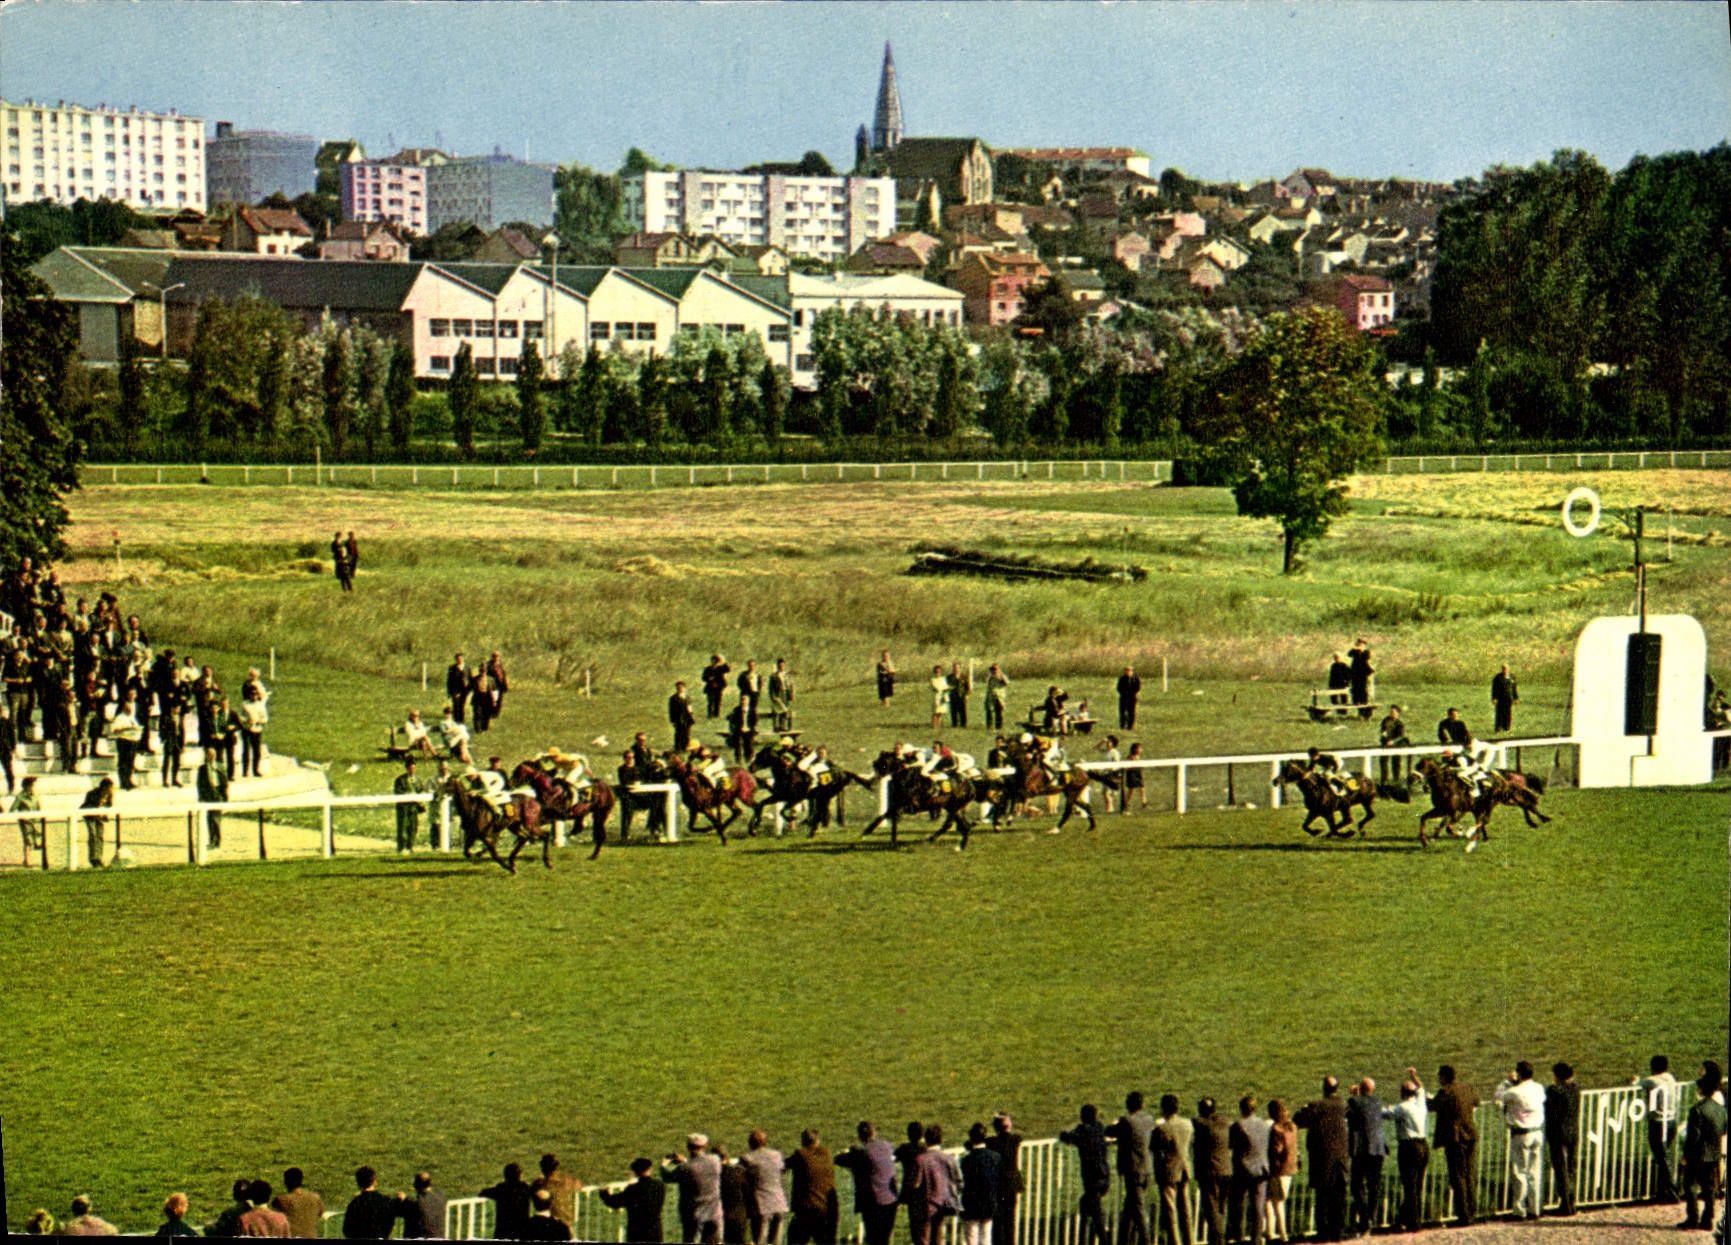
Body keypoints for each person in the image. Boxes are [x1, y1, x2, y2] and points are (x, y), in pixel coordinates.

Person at [1294, 1079, 1349, 1243]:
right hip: (1341, 1156)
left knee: (1323, 1197)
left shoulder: (1315, 1105)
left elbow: (1298, 1120)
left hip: (1322, 1157)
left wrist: (1303, 1109)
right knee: (1339, 1196)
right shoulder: (1343, 1104)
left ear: (1324, 1088)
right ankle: (1338, 1232)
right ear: (1337, 1089)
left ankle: (1323, 1233)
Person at [1427, 1066, 1478, 1227]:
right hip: (1471, 1134)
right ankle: (1472, 1210)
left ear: (1443, 1077)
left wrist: (1423, 1096)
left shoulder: (1445, 1092)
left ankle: (1463, 1215)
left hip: (1456, 1138)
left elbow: (1432, 1106)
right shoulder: (1466, 1088)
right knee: (1469, 1173)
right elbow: (1476, 1102)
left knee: (1458, 1176)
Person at [1495, 1061, 1546, 1221]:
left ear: (1519, 1074)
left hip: (1521, 1134)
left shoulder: (1514, 1092)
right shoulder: (1539, 1088)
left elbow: (1498, 1098)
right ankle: (1535, 1208)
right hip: (1537, 1132)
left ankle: (1519, 1210)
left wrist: (1507, 1082)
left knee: (1520, 1172)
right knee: (1534, 1172)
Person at [835, 1121, 898, 1245]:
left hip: (873, 1201)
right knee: (885, 1238)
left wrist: (847, 1152)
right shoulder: (886, 1146)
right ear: (874, 1132)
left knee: (874, 1238)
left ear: (859, 1135)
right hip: (891, 1199)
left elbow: (839, 1160)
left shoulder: (860, 1152)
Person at [1681, 1063, 1727, 1230]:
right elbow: (1723, 1128)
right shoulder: (1720, 1109)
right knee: (1709, 1188)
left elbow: (1693, 1137)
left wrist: (1686, 1155)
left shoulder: (1697, 1110)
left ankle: (1693, 1218)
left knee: (1691, 1185)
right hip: (1713, 1153)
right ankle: (1708, 1219)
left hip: (1698, 1154)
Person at [1382, 1072, 1429, 1234]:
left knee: (1410, 1185)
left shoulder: (1401, 1107)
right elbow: (1422, 1089)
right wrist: (1415, 1076)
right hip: (1423, 1145)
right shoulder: (1420, 1104)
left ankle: (1412, 1222)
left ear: (1402, 1093)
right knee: (1418, 1185)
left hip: (1409, 1146)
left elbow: (1386, 1115)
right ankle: (1408, 1218)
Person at [1106, 1091, 1155, 1245]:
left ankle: (1145, 1240)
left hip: (1133, 1170)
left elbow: (1110, 1132)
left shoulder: (1126, 1120)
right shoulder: (1149, 1119)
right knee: (1130, 1207)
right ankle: (1124, 1239)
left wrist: (1113, 1124)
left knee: (1138, 1209)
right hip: (1146, 1168)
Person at [1061, 1104, 1112, 1245]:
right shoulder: (1099, 1127)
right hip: (1105, 1177)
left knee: (1096, 1215)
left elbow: (1068, 1137)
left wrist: (1063, 1134)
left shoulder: (1082, 1131)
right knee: (1085, 1205)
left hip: (1093, 1181)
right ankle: (1085, 1238)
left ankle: (1103, 1239)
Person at [663, 1133, 725, 1245]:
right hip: (714, 1213)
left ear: (688, 1147)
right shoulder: (715, 1160)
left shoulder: (685, 1168)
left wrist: (663, 1165)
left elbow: (668, 1177)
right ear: (705, 1146)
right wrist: (685, 1161)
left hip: (694, 1215)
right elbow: (700, 1166)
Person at [1637, 1054, 1681, 1204]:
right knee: (1664, 1157)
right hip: (1671, 1122)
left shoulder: (1651, 1081)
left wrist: (1635, 1081)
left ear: (1653, 1067)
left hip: (1658, 1124)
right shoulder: (1671, 1078)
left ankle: (1673, 1192)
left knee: (1663, 1159)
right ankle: (1663, 1193)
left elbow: (1635, 1088)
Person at [1151, 1094, 1193, 1245]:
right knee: (1186, 1209)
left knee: (1170, 1210)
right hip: (1185, 1168)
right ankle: (1190, 1239)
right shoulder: (1187, 1124)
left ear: (1163, 1109)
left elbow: (1153, 1147)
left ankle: (1175, 1241)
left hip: (1168, 1171)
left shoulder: (1162, 1128)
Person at [1227, 1096, 1270, 1245]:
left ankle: (1238, 1235)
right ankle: (1256, 1238)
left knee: (1238, 1204)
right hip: (1261, 1168)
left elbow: (1231, 1145)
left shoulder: (1238, 1125)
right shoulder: (1264, 1124)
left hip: (1243, 1168)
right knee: (1258, 1206)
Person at [1346, 1078, 1386, 1236]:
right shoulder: (1378, 1102)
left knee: (1356, 1185)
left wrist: (1354, 1095)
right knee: (1374, 1186)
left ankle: (1364, 1218)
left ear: (1361, 1089)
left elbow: (1350, 1112)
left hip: (1362, 1150)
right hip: (1378, 1148)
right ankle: (1371, 1218)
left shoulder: (1354, 1102)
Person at [599, 1158, 668, 1244]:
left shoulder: (633, 1189)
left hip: (637, 1231)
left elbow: (614, 1202)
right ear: (650, 1169)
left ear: (635, 1172)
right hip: (655, 1230)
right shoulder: (660, 1185)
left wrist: (603, 1191)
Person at [788, 1128, 837, 1245]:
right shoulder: (826, 1154)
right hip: (827, 1207)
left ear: (803, 1141)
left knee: (795, 1238)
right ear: (817, 1141)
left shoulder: (800, 1155)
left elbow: (785, 1164)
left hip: (807, 1208)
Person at [913, 1125, 960, 1245]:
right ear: (941, 1139)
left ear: (926, 1139)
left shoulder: (921, 1159)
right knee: (938, 1238)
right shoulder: (949, 1158)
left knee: (924, 1239)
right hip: (943, 1203)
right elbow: (958, 1180)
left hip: (926, 1204)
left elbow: (916, 1184)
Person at [1543, 1062, 1579, 1217]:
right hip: (1573, 1132)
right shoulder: (1576, 1089)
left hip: (1558, 1134)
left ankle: (1565, 1204)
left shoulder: (1553, 1090)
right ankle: (1571, 1201)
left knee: (1561, 1170)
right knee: (1571, 1168)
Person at [1192, 1098, 1230, 1245]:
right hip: (1226, 1169)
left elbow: (1194, 1123)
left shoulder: (1200, 1124)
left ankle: (1218, 1240)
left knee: (1212, 1209)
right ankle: (1221, 1236)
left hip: (1210, 1171)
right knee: (1221, 1208)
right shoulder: (1224, 1123)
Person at [740, 1130, 788, 1245]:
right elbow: (782, 1169)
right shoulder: (776, 1155)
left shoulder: (747, 1158)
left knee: (760, 1240)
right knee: (777, 1241)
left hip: (761, 1205)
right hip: (779, 1203)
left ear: (750, 1143)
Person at [959, 1123, 1002, 1245]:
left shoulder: (966, 1160)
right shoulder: (996, 1157)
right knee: (986, 1237)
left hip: (971, 1205)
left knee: (971, 1239)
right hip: (989, 1203)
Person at [986, 1113, 1023, 1245]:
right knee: (1010, 1220)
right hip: (1012, 1184)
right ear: (1009, 1126)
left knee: (998, 1221)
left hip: (998, 1184)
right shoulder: (1015, 1139)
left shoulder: (991, 1143)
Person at [1263, 1102, 1297, 1244]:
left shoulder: (1275, 1129)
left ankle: (1280, 1235)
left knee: (1274, 1202)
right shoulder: (1292, 1127)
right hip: (1290, 1168)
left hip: (1278, 1169)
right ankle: (1273, 1232)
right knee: (1275, 1201)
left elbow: (1276, 1150)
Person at [480, 1161, 536, 1241]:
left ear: (505, 1176)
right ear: (520, 1175)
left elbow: (483, 1193)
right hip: (522, 1231)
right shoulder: (525, 1188)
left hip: (504, 1231)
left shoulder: (501, 1189)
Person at [895, 1122, 930, 1245]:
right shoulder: (926, 1149)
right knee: (929, 1229)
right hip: (929, 1191)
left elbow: (892, 1158)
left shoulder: (905, 1149)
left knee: (916, 1230)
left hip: (912, 1193)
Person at [344, 1167, 398, 1240]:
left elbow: (347, 1231)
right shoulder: (386, 1201)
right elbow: (390, 1223)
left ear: (358, 1183)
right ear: (374, 1182)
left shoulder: (355, 1203)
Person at [534, 1152, 582, 1231]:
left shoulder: (540, 1184)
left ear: (543, 1167)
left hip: (551, 1226)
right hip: (567, 1225)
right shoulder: (567, 1180)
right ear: (557, 1167)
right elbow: (578, 1185)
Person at [273, 1167, 325, 1238]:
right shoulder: (315, 1198)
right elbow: (320, 1213)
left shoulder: (281, 1200)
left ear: (286, 1182)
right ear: (301, 1181)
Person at [196, 743, 229, 850]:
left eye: (211, 754)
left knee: (216, 819)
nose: (210, 756)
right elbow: (199, 784)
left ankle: (217, 840)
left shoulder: (219, 767)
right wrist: (201, 797)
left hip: (217, 795)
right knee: (209, 819)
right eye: (208, 754)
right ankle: (211, 840)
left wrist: (225, 798)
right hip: (208, 796)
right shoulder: (202, 769)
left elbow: (225, 783)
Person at [107, 690, 143, 789]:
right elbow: (114, 730)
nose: (130, 710)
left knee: (130, 763)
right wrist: (126, 728)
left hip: (133, 740)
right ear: (124, 708)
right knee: (123, 762)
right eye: (128, 708)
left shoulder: (132, 718)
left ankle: (129, 780)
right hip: (124, 740)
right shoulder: (119, 717)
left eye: (131, 709)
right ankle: (123, 782)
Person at [398, 1172, 448, 1240]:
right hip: (440, 1237)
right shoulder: (442, 1197)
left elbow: (405, 1209)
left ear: (415, 1185)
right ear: (431, 1183)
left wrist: (403, 1200)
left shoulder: (416, 1203)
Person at [395, 759, 429, 852]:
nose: (412, 770)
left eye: (413, 768)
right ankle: (401, 847)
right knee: (402, 827)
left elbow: (421, 790)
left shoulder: (418, 780)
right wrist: (408, 794)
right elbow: (398, 792)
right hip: (404, 807)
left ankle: (411, 845)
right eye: (410, 768)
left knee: (413, 827)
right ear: (407, 769)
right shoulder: (400, 780)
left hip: (414, 807)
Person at [11, 774, 45, 867]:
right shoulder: (20, 797)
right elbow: (12, 809)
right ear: (26, 786)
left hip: (35, 821)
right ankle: (27, 860)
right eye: (31, 785)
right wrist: (22, 817)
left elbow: (39, 808)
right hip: (25, 822)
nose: (33, 787)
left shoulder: (36, 796)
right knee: (28, 840)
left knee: (37, 838)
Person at [80, 775, 115, 868]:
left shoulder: (109, 795)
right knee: (93, 835)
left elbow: (108, 806)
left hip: (99, 816)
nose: (111, 789)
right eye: (110, 787)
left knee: (100, 836)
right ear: (104, 787)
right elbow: (92, 806)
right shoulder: (93, 793)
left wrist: (105, 815)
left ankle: (99, 857)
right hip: (89, 815)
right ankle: (93, 858)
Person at [1377, 706, 1409, 784]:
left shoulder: (1400, 724)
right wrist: (1385, 738)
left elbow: (1401, 736)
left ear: (1397, 713)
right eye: (1391, 712)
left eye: (1394, 712)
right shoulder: (1386, 721)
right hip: (1386, 743)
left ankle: (1396, 778)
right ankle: (1384, 779)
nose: (1392, 714)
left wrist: (1393, 741)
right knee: (1383, 761)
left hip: (1396, 745)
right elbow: (1383, 731)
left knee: (1396, 762)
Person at [1348, 639, 1374, 720]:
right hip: (1355, 675)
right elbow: (1349, 654)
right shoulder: (1354, 652)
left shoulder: (1365, 653)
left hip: (1362, 675)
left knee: (1363, 693)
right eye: (1358, 644)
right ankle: (1360, 711)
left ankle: (1365, 713)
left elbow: (1367, 657)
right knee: (1356, 693)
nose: (1360, 645)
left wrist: (1361, 651)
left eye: (1361, 644)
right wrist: (1356, 649)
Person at [1490, 663, 1519, 733]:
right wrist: (1494, 698)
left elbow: (1514, 688)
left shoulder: (1512, 677)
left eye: (1506, 668)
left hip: (1509, 699)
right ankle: (1498, 728)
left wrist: (1516, 698)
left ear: (1508, 669)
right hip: (1500, 699)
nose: (1505, 670)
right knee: (1499, 714)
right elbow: (1494, 688)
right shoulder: (1498, 677)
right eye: (1503, 668)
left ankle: (1507, 728)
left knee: (1508, 714)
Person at [769, 659, 795, 734]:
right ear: (778, 666)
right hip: (778, 693)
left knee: (786, 710)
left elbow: (791, 685)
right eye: (780, 665)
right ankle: (777, 726)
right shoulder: (774, 676)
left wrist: (792, 694)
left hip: (786, 693)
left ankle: (785, 726)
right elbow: (771, 688)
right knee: (778, 709)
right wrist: (773, 696)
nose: (781, 667)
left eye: (782, 665)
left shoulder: (787, 675)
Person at [670, 681, 696, 752]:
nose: (680, 689)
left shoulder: (687, 697)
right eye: (678, 687)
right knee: (678, 733)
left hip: (687, 718)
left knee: (686, 734)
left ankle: (685, 747)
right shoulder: (673, 698)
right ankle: (678, 747)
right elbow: (671, 710)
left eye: (681, 687)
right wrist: (672, 720)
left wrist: (691, 715)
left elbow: (690, 707)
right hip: (678, 718)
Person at [738, 660, 763, 729]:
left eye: (753, 665)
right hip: (746, 694)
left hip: (754, 694)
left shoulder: (757, 675)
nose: (751, 667)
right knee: (745, 710)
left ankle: (753, 725)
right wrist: (745, 689)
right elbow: (739, 684)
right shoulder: (744, 674)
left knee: (753, 710)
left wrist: (758, 693)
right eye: (750, 665)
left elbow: (760, 685)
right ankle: (743, 725)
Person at [984, 663, 1010, 731]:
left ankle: (998, 727)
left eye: (995, 669)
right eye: (992, 669)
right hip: (991, 696)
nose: (993, 671)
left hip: (999, 696)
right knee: (989, 711)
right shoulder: (990, 677)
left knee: (998, 712)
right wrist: (990, 676)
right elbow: (985, 682)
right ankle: (989, 726)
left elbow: (1006, 683)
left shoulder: (1001, 676)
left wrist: (1000, 675)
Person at [446, 653, 470, 724]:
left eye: (461, 658)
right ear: (456, 660)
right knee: (456, 705)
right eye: (458, 659)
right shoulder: (452, 668)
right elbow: (449, 680)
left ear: (463, 659)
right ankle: (455, 720)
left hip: (464, 691)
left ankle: (461, 721)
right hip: (455, 690)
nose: (460, 660)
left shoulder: (467, 668)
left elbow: (470, 679)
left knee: (462, 705)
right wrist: (450, 692)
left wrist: (469, 689)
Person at [1116, 666, 1142, 730]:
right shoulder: (1122, 679)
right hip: (1123, 698)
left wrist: (1132, 693)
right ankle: (1122, 725)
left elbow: (1137, 687)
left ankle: (1130, 726)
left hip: (1132, 698)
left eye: (1130, 671)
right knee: (1122, 713)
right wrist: (1123, 693)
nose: (1128, 672)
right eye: (1127, 671)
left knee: (1131, 713)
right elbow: (1119, 688)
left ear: (1132, 671)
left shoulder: (1135, 679)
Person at [947, 661, 971, 729]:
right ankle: (954, 724)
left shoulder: (964, 677)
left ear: (960, 668)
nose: (956, 669)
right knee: (953, 711)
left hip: (961, 696)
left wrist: (967, 695)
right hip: (953, 696)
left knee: (962, 710)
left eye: (957, 668)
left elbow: (968, 687)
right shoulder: (949, 677)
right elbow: (947, 686)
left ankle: (963, 724)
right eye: (954, 668)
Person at [0, 700, 15, 795]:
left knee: (8, 769)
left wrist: (13, 748)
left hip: (4, 748)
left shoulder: (6, 722)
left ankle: (11, 786)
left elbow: (12, 736)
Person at [929, 666, 950, 733]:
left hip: (943, 696)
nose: (938, 673)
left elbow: (946, 686)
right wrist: (942, 689)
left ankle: (938, 725)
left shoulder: (943, 679)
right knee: (936, 712)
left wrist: (946, 689)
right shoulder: (933, 680)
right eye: (936, 672)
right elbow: (936, 687)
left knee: (940, 713)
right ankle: (934, 726)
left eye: (939, 672)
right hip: (937, 697)